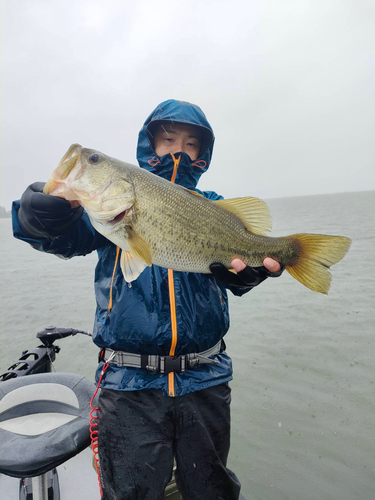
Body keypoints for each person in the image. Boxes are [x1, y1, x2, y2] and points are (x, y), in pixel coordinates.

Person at [12, 99, 282, 500]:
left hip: (206, 376)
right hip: (127, 384)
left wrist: (250, 276)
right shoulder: (104, 214)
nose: (178, 150)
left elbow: (235, 278)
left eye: (190, 143)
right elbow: (56, 237)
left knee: (211, 488)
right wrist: (35, 215)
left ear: (203, 153)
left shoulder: (212, 204)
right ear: (148, 144)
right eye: (168, 138)